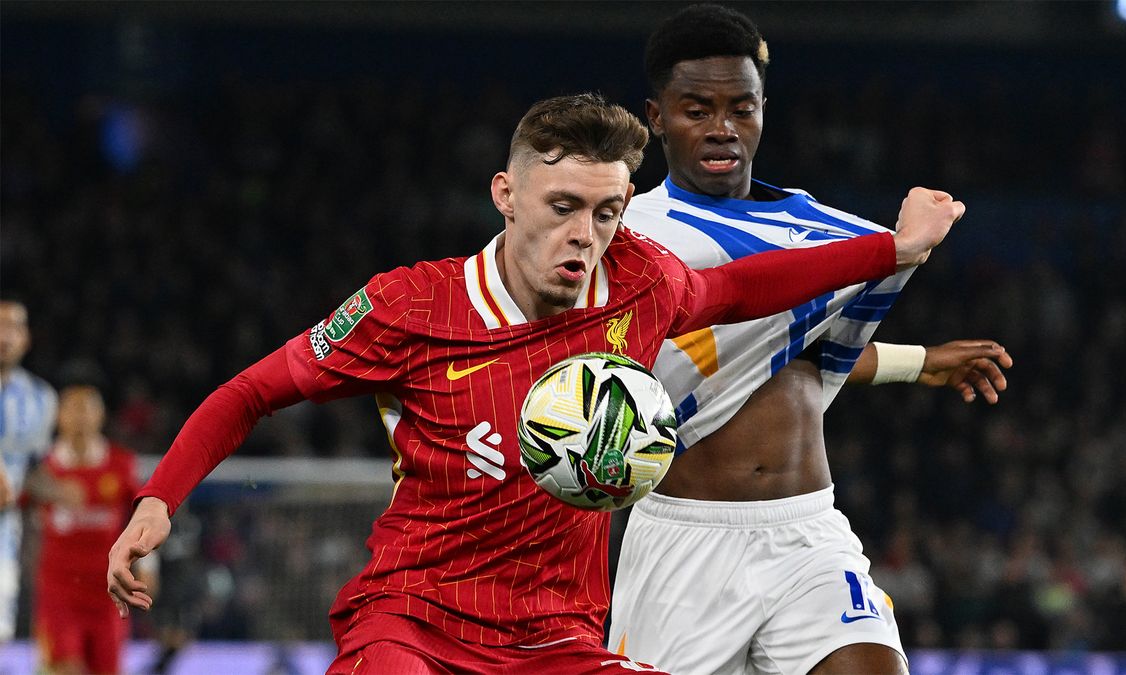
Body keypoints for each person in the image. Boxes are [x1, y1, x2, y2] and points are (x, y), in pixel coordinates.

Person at [107, 93, 962, 674]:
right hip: (415, 621)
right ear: (505, 195)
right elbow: (251, 392)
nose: (586, 234)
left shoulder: (641, 281)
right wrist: (159, 499)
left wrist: (895, 247)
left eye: (607, 210)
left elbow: (742, 289)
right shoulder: (411, 304)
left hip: (556, 635)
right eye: (562, 207)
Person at [607, 6, 1012, 675]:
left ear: (764, 109)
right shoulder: (634, 237)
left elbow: (786, 357)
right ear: (656, 116)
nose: (721, 128)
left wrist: (918, 361)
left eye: (741, 107)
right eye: (696, 108)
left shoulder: (817, 230)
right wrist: (894, 252)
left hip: (807, 532)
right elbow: (711, 363)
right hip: (683, 543)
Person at [29, 384, 150, 675]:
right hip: (58, 593)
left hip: (108, 593)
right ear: (58, 416)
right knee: (64, 669)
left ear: (101, 416)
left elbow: (143, 516)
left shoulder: (121, 465)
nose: (80, 416)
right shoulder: (40, 468)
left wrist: (150, 567)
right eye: (72, 408)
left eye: (87, 408)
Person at [0, 298, 59, 643]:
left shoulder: (42, 399)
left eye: (14, 327)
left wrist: (70, 495)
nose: (4, 335)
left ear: (26, 338)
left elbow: (34, 471)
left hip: (5, 535)